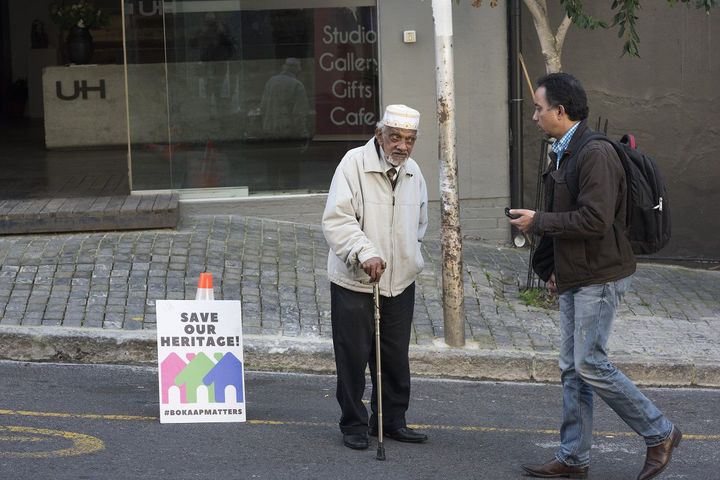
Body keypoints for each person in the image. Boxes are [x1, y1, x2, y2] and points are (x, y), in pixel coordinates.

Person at [509, 73, 681, 480]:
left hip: (600, 276)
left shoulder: (594, 154)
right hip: (577, 273)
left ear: (561, 111)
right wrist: (555, 270)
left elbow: (595, 219)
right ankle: (573, 459)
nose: (534, 116)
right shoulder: (566, 151)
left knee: (589, 363)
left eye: (538, 108)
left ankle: (660, 432)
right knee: (572, 368)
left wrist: (538, 222)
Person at [322, 104, 429, 450]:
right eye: (395, 137)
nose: (402, 146)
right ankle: (353, 422)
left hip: (400, 282)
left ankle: (392, 420)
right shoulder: (353, 164)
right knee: (353, 355)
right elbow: (337, 219)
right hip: (355, 280)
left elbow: (420, 225)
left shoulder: (414, 172)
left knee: (395, 356)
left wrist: (409, 258)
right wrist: (363, 252)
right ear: (379, 134)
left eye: (409, 140)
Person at [259, 58, 310, 139]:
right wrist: (302, 134)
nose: (300, 69)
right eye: (299, 67)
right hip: (287, 133)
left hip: (268, 132)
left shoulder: (271, 81)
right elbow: (299, 114)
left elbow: (263, 107)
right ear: (295, 68)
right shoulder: (297, 85)